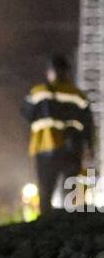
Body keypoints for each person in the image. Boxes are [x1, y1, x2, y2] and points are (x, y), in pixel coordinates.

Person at [21, 53, 94, 210]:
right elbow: (88, 124)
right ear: (67, 72)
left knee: (46, 191)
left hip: (45, 147)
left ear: (50, 72)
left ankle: (45, 224)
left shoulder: (39, 92)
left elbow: (26, 113)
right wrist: (90, 147)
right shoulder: (78, 95)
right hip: (72, 149)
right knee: (70, 193)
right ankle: (67, 226)